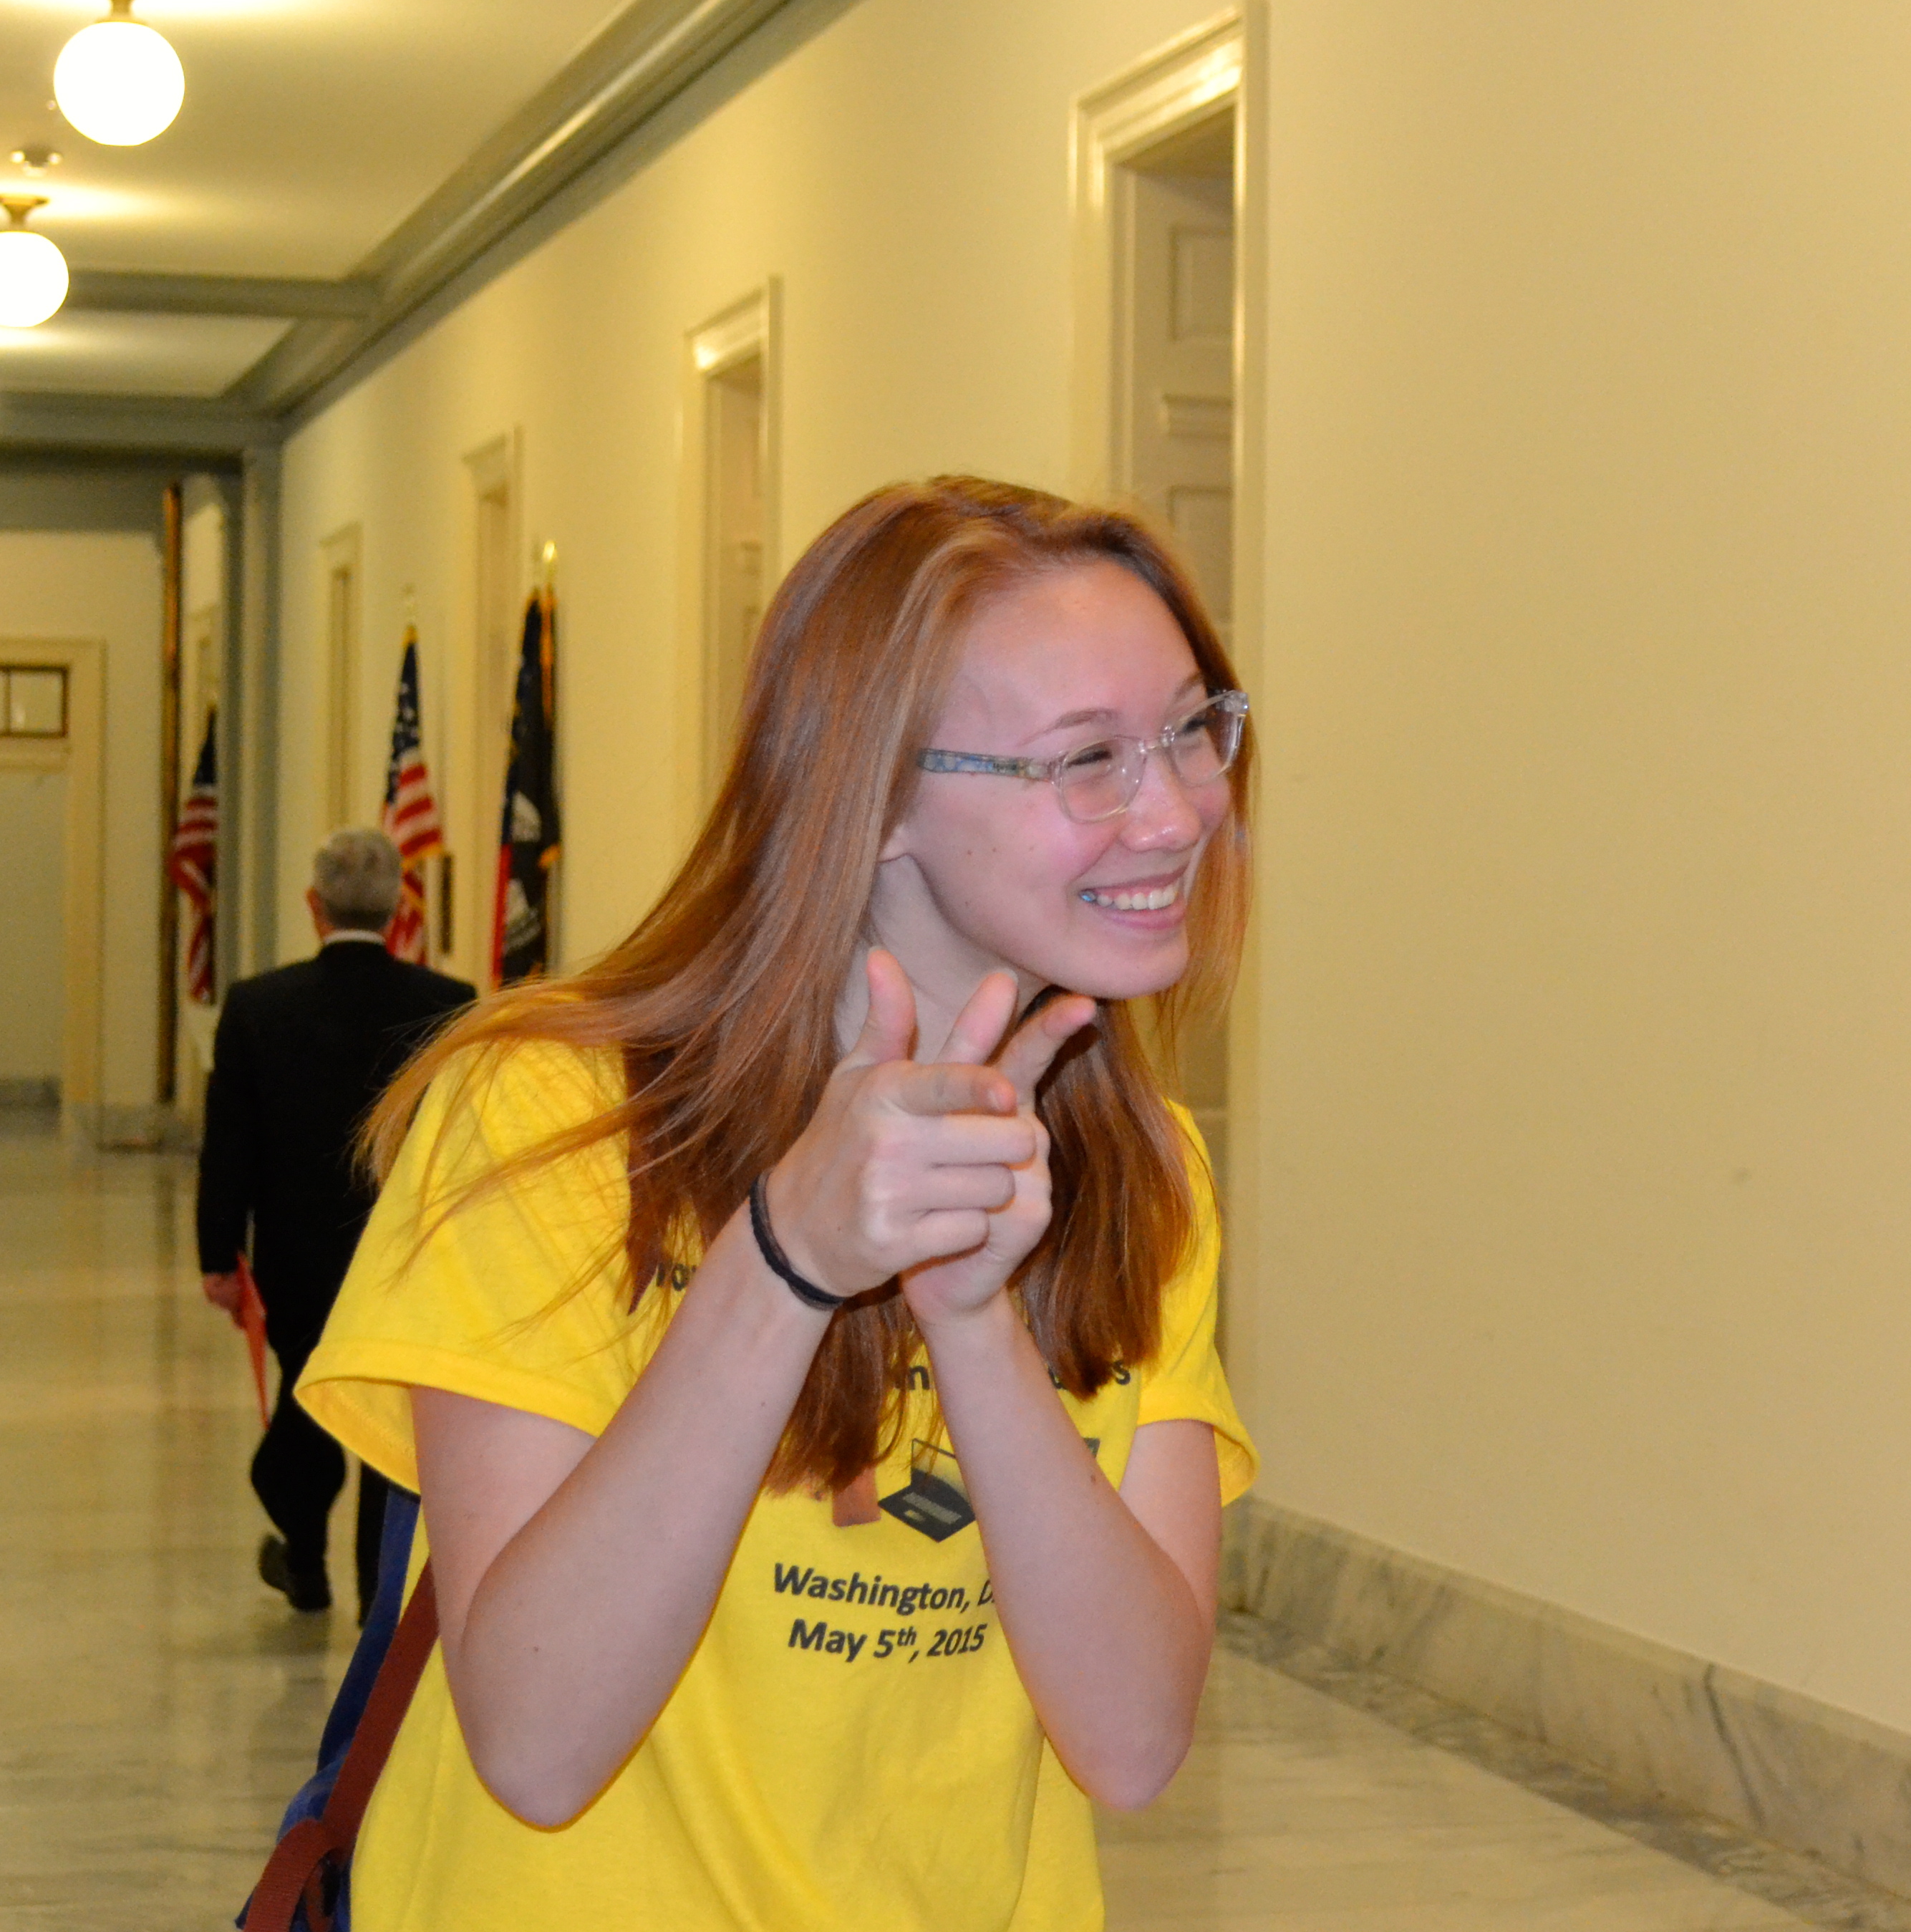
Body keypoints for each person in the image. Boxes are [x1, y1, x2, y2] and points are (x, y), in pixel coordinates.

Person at [296, 478, 1254, 1928]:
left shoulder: (1145, 1166)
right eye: (1088, 759)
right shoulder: (553, 1117)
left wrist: (976, 1326)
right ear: (875, 799)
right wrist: (787, 1260)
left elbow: (1130, 1744)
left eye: (1190, 728)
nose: (1178, 808)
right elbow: (537, 1744)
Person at [197, 825, 475, 1615]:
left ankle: (305, 1559)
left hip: (294, 1257)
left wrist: (219, 1255)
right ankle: (375, 1593)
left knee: (308, 1394)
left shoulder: (258, 1006)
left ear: (313, 905)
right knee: (386, 1417)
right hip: (403, 1258)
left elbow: (230, 1144)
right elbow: (461, 1145)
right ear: (397, 907)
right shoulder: (447, 1005)